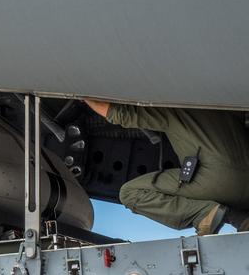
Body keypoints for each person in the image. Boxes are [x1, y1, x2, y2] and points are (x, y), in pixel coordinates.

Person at [83, 100, 249, 235]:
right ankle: (240, 218)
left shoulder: (172, 106)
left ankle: (206, 213)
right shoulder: (226, 101)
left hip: (215, 180)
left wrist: (80, 92)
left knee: (129, 193)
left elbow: (118, 114)